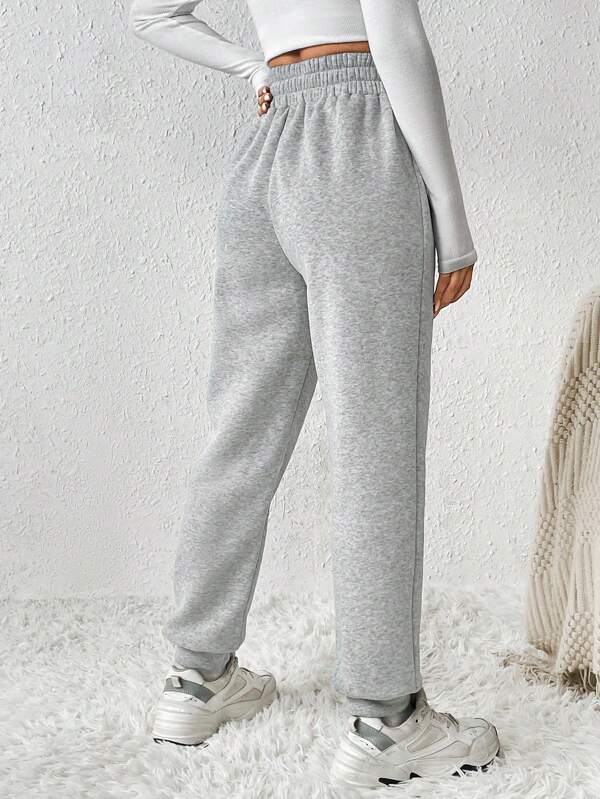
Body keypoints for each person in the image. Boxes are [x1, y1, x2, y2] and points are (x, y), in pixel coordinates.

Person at [129, 0, 500, 787]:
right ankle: (389, 719)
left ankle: (196, 676)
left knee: (240, 428)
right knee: (375, 439)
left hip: (265, 151)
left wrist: (252, 66)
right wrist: (452, 219)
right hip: (360, 144)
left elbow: (152, 13)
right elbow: (395, 38)